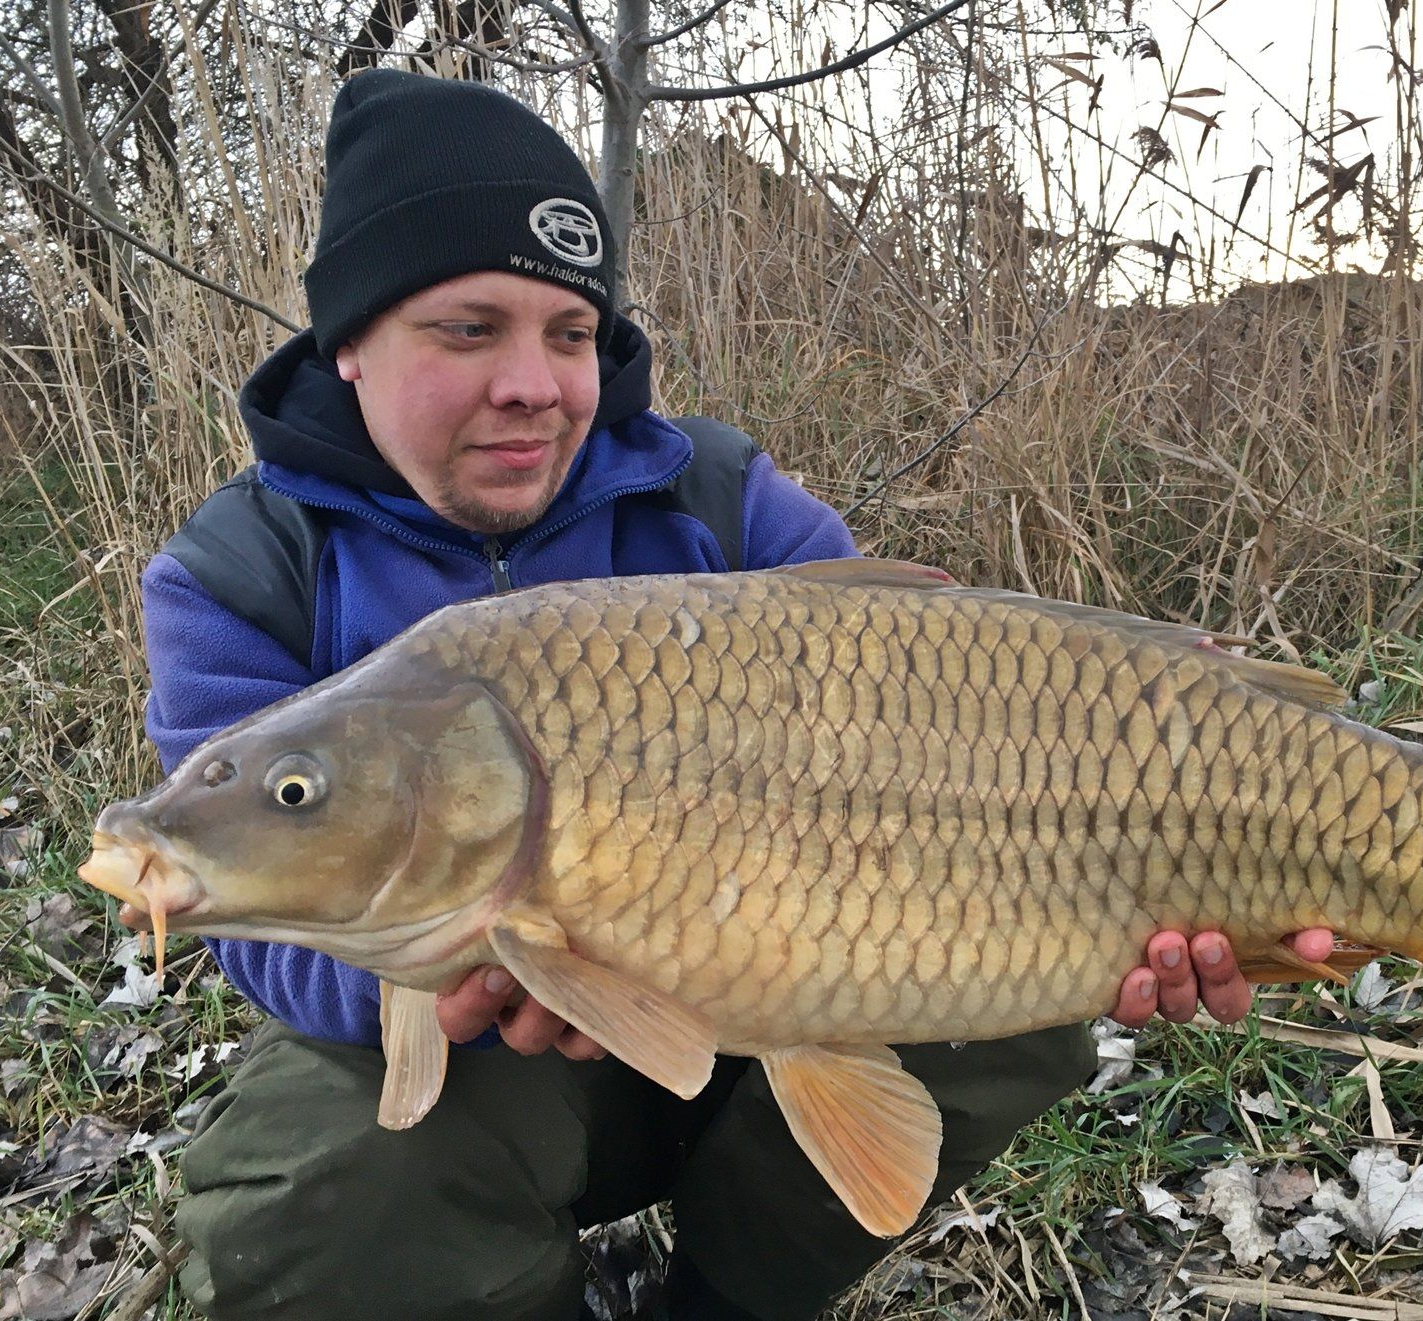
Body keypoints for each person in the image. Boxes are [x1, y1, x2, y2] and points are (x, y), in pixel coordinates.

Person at [138, 69, 1333, 1321]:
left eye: (570, 332)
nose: (536, 385)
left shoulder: (718, 498)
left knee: (1017, 969)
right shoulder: (241, 575)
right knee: (313, 1189)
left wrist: (1192, 807)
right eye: (468, 328)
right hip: (496, 1075)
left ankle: (723, 1299)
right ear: (349, 345)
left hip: (780, 998)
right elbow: (257, 913)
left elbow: (947, 721)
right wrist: (464, 981)